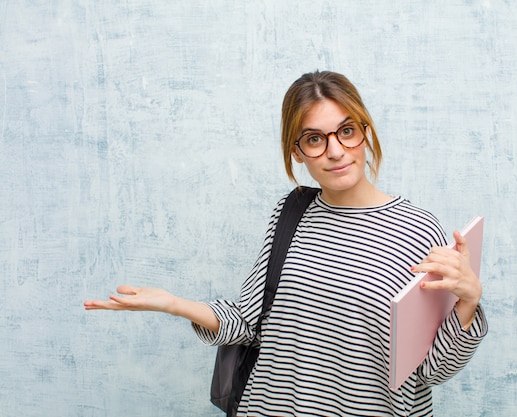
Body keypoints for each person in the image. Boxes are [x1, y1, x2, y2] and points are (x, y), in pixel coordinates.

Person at [84, 70, 487, 416]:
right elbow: (246, 322)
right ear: (297, 152)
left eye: (346, 131)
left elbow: (431, 371)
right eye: (315, 139)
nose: (335, 151)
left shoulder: (419, 230)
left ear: (365, 132)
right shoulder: (291, 213)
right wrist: (173, 304)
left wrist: (467, 304)